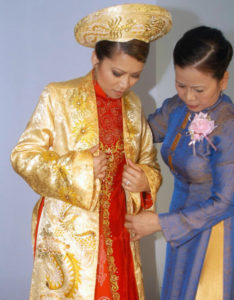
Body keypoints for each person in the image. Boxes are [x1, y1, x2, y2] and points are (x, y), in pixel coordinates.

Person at [10, 4, 172, 299]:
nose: (126, 84)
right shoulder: (58, 96)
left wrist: (146, 180)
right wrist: (80, 169)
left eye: (135, 75)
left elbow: (149, 161)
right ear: (96, 57)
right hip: (70, 236)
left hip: (120, 231)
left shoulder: (134, 105)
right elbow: (23, 155)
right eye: (118, 72)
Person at [125, 26, 234, 300]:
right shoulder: (176, 108)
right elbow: (141, 134)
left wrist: (159, 223)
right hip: (181, 216)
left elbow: (224, 203)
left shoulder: (232, 128)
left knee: (204, 292)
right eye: (180, 85)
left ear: (223, 81)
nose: (189, 97)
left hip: (215, 225)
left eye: (199, 89)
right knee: (178, 290)